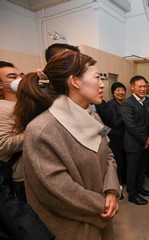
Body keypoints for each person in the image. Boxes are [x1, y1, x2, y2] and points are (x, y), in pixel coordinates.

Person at [13, 50, 121, 239]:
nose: (103, 84)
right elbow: (58, 191)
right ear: (75, 81)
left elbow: (108, 155)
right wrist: (102, 204)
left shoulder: (94, 117)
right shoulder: (41, 130)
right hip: (73, 228)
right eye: (97, 77)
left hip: (102, 214)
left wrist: (111, 191)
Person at [120, 75, 149, 205]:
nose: (143, 89)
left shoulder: (147, 101)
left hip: (145, 143)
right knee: (132, 171)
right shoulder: (127, 104)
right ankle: (132, 195)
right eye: (140, 86)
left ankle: (139, 188)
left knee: (142, 169)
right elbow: (131, 125)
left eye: (145, 86)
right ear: (132, 87)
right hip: (133, 144)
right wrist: (145, 139)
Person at [0, 61, 26, 202]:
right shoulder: (2, 108)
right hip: (21, 177)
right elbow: (3, 144)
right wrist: (35, 132)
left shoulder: (24, 103)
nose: (19, 79)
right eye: (12, 76)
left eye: (21, 75)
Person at [107, 82, 127, 190]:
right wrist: (127, 115)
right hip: (115, 138)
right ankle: (116, 185)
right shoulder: (111, 104)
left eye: (122, 90)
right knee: (117, 162)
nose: (121, 92)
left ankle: (123, 181)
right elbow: (115, 123)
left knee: (124, 161)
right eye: (117, 90)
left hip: (124, 137)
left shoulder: (123, 103)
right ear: (113, 93)